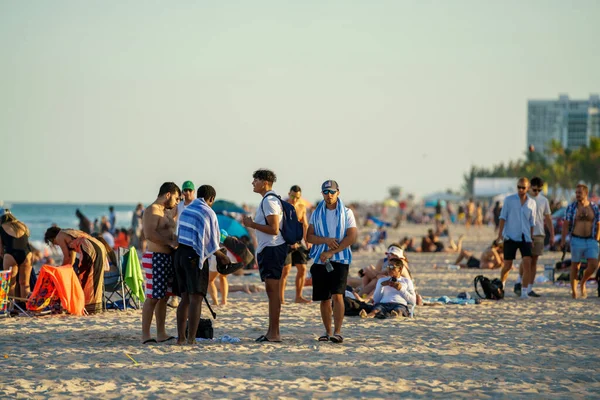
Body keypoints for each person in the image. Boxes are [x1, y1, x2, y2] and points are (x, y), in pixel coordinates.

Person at [306, 180, 358, 343]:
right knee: (324, 298)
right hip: (321, 260)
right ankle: (327, 332)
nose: (329, 195)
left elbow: (351, 237)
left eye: (332, 192)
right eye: (326, 192)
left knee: (338, 295)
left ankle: (338, 331)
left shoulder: (347, 212)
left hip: (340, 259)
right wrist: (326, 241)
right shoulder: (316, 213)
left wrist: (332, 251)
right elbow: (309, 237)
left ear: (338, 192)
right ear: (322, 193)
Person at [175, 185, 225, 345]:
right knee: (196, 299)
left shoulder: (187, 210)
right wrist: (222, 256)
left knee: (184, 299)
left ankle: (181, 337)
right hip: (193, 258)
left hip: (180, 255)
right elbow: (211, 242)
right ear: (210, 199)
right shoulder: (208, 212)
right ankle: (191, 339)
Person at [242, 169, 287, 343]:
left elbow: (274, 228)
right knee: (272, 292)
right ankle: (272, 332)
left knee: (273, 292)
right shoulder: (269, 200)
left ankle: (274, 333)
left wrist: (252, 224)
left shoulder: (269, 201)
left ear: (265, 182)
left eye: (255, 180)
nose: (253, 183)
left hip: (273, 249)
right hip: (271, 249)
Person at [140, 182, 180, 344]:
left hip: (168, 258)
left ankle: (161, 333)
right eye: (176, 198)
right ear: (168, 194)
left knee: (163, 297)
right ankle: (145, 335)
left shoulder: (166, 212)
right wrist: (169, 243)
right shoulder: (152, 210)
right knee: (153, 297)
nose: (177, 202)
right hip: (156, 256)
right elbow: (149, 234)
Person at [44, 227, 108, 313]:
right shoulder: (69, 234)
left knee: (84, 277)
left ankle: (86, 305)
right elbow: (71, 261)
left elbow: (66, 258)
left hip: (89, 247)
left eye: (52, 243)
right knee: (95, 276)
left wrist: (57, 271)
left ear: (52, 238)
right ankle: (95, 306)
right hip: (99, 246)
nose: (56, 245)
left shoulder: (59, 236)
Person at [514, 177, 555, 297]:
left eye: (539, 190)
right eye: (535, 189)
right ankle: (519, 280)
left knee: (534, 261)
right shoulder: (524, 198)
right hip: (525, 233)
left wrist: (552, 234)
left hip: (539, 233)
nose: (537, 192)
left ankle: (529, 288)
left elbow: (548, 219)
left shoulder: (544, 201)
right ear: (530, 187)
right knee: (526, 259)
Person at [496, 177, 536, 298]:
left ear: (528, 188)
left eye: (523, 187)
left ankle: (524, 292)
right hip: (511, 236)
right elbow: (503, 217)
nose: (520, 189)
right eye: (519, 187)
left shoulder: (532, 203)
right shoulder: (509, 200)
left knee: (527, 264)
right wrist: (500, 235)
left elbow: (532, 222)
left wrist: (532, 238)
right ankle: (501, 285)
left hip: (526, 237)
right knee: (507, 265)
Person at [560, 183, 600, 299]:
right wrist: (563, 240)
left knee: (593, 265)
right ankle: (573, 291)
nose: (577, 195)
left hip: (591, 240)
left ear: (586, 193)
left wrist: (597, 238)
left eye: (579, 193)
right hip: (576, 239)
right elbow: (565, 225)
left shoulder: (594, 208)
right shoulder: (571, 207)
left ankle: (582, 282)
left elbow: (598, 223)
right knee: (575, 266)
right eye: (576, 193)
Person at [279, 185, 312, 304]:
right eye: (292, 196)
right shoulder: (283, 207)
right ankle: (280, 299)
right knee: (285, 270)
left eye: (297, 197)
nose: (294, 199)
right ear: (289, 194)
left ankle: (298, 296)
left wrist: (307, 241)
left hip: (298, 242)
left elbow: (305, 225)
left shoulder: (302, 207)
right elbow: (280, 226)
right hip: (285, 241)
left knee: (302, 268)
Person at [0, 211, 33, 299]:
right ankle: (26, 306)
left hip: (11, 254)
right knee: (25, 283)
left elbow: (0, 250)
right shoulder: (23, 226)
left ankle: (11, 307)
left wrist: (3, 258)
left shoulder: (1, 227)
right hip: (27, 254)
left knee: (11, 284)